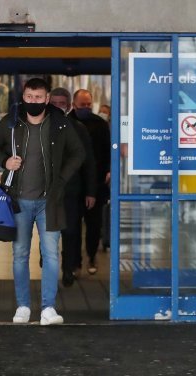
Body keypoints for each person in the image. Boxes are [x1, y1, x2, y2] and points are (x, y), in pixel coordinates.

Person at [0, 78, 86, 325]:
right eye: (29, 97)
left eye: (38, 97)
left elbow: (78, 153)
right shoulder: (11, 121)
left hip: (49, 202)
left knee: (51, 254)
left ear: (47, 98)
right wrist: (5, 161)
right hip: (18, 201)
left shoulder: (60, 123)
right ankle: (23, 306)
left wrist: (61, 179)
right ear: (23, 96)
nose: (33, 101)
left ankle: (48, 308)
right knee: (20, 254)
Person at [49, 87, 97, 287]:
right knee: (48, 231)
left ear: (69, 106)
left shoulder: (78, 129)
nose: (57, 107)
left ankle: (68, 268)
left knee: (70, 231)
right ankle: (47, 260)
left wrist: (91, 191)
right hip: (44, 191)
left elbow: (89, 162)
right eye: (54, 103)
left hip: (71, 189)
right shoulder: (36, 127)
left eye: (61, 104)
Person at [69, 89, 111, 275]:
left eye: (88, 104)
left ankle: (92, 256)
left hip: (97, 182)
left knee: (94, 224)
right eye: (82, 105)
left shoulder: (99, 124)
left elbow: (108, 151)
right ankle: (75, 262)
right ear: (74, 104)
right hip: (73, 183)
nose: (86, 108)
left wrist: (109, 170)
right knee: (73, 227)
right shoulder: (66, 124)